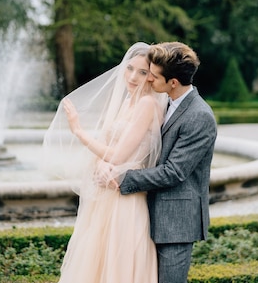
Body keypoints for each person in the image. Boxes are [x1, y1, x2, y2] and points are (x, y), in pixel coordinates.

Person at [42, 42, 167, 283]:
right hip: (108, 190)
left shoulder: (147, 104)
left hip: (126, 195)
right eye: (130, 68)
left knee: (119, 263)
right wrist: (100, 164)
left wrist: (78, 131)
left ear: (152, 77)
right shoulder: (128, 101)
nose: (132, 76)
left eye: (142, 72)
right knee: (98, 260)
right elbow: (110, 148)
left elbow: (119, 156)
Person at [118, 41, 218, 283]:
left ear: (173, 82)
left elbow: (174, 171)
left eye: (154, 76)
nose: (148, 79)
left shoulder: (199, 116)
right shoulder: (166, 102)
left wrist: (124, 178)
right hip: (149, 212)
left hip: (176, 222)